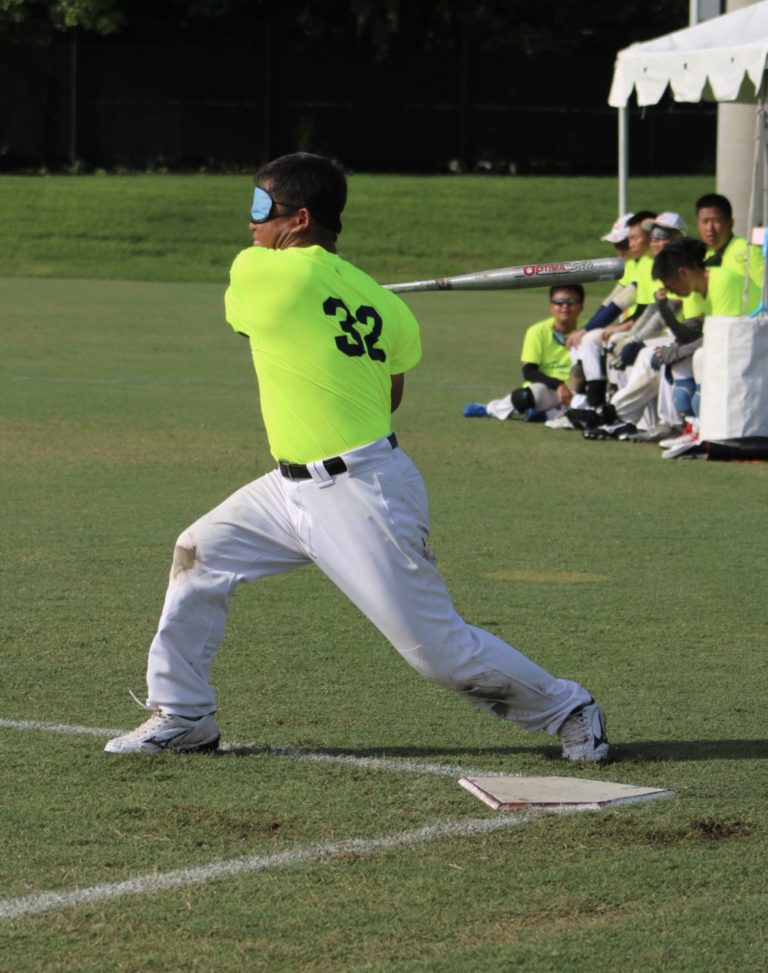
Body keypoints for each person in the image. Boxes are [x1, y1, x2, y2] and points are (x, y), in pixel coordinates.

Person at [104, 152, 609, 762]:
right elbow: (388, 393)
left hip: (361, 492)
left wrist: (317, 300)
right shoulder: (389, 308)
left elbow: (248, 327)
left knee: (438, 652)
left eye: (261, 209)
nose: (251, 224)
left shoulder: (260, 271)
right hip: (288, 486)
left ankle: (568, 708)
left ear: (301, 218)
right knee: (199, 554)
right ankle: (184, 714)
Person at [650, 235, 762, 457]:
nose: (669, 290)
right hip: (733, 346)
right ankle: (693, 427)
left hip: (754, 346)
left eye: (669, 284)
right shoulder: (697, 291)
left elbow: (723, 338)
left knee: (701, 357)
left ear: (683, 273)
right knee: (685, 362)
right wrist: (663, 309)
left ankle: (704, 430)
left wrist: (676, 352)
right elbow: (688, 335)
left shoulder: (722, 282)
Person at [567, 211, 658, 410]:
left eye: (624, 243)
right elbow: (613, 299)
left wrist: (617, 327)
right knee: (585, 341)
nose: (619, 250)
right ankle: (588, 400)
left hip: (652, 328)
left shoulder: (645, 262)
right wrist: (587, 327)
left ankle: (599, 404)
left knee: (597, 341)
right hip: (641, 323)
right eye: (617, 245)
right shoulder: (637, 262)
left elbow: (625, 301)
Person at [462, 285, 585, 422]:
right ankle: (490, 409)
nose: (565, 307)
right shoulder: (537, 331)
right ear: (551, 306)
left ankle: (544, 415)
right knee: (524, 396)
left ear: (580, 306)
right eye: (559, 302)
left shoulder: (588, 331)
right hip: (548, 388)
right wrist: (558, 385)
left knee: (594, 406)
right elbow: (529, 371)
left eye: (571, 302)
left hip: (578, 390)